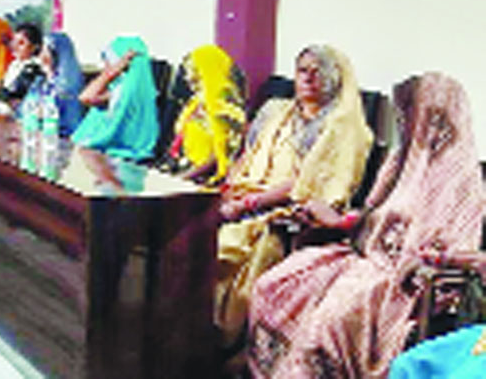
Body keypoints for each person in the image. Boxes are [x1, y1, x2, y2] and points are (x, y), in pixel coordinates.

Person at [248, 73, 484, 379]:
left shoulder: (461, 182)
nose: (412, 126)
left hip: (401, 279)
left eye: (420, 116)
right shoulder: (402, 161)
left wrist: (419, 261)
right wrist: (340, 221)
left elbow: (454, 248)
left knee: (327, 322)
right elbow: (374, 216)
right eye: (408, 117)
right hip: (362, 255)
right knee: (274, 285)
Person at [215, 44, 372, 349]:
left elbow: (308, 184)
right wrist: (230, 189)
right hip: (244, 197)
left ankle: (225, 341)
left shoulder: (342, 127)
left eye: (318, 72)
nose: (309, 78)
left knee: (224, 249)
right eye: (303, 71)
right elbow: (247, 157)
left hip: (284, 210)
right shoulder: (277, 112)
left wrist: (248, 204)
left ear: (336, 80)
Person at [167, 44, 247, 185]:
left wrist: (181, 179)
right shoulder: (196, 102)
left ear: (207, 69)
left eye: (192, 70)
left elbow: (218, 156)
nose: (187, 77)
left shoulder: (227, 107)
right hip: (186, 171)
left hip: (206, 180)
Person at [70, 35, 159, 160]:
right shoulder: (128, 88)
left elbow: (86, 98)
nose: (105, 65)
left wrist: (112, 72)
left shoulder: (125, 91)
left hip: (114, 152)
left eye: (109, 60)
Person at [0, 22, 47, 112]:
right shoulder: (14, 65)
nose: (15, 46)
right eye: (15, 41)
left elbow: (17, 94)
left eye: (21, 43)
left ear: (34, 47)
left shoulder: (33, 68)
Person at [41, 31, 86, 137]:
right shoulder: (43, 80)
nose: (41, 56)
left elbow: (68, 122)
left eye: (45, 51)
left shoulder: (67, 87)